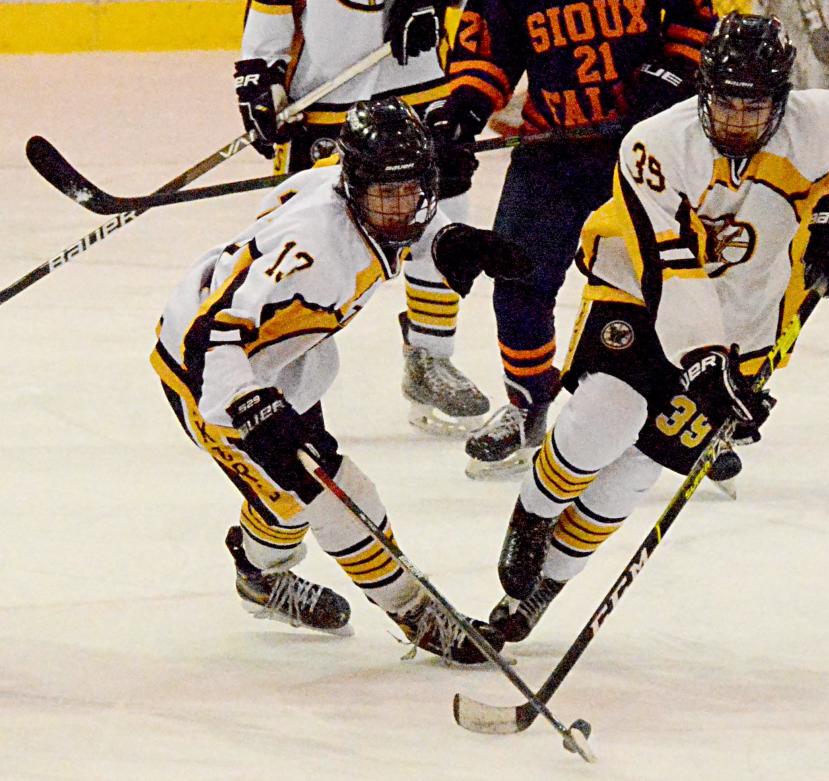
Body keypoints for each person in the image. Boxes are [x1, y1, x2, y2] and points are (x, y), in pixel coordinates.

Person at [485, 13, 829, 642]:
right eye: (725, 104)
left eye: (755, 108)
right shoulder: (655, 145)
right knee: (602, 420)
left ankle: (545, 589)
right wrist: (700, 360)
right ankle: (533, 512)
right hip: (639, 290)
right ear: (702, 90)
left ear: (782, 98)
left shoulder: (827, 121)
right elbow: (671, 266)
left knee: (644, 462)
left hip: (754, 317)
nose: (737, 122)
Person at [149, 98, 509, 663]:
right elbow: (210, 335)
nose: (398, 211)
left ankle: (256, 574)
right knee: (332, 493)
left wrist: (447, 242)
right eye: (383, 196)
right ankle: (416, 614)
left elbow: (406, 216)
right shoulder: (311, 247)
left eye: (408, 191)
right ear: (355, 185)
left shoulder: (345, 187)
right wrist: (249, 406)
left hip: (286, 355)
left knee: (292, 499)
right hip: (214, 376)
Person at [431, 0, 718, 478]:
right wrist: (463, 110)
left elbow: (697, 18)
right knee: (517, 278)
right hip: (552, 149)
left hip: (641, 148)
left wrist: (671, 74)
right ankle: (528, 404)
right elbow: (488, 50)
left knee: (668, 283)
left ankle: (686, 415)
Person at [233, 0, 489, 435]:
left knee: (442, 207)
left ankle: (431, 354)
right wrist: (261, 71)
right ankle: (278, 377)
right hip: (326, 86)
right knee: (307, 240)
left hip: (418, 75)